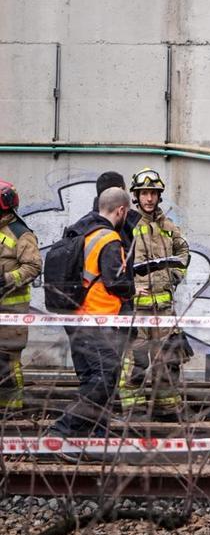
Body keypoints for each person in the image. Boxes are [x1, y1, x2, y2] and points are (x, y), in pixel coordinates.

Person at [49, 186, 135, 438]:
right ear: (121, 210)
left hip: (75, 316)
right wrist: (132, 288)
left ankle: (92, 437)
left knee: (92, 378)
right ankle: (62, 431)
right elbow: (115, 281)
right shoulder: (109, 239)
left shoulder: (83, 230)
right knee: (106, 376)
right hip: (95, 319)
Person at [116, 168, 191, 421]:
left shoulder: (167, 226)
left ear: (159, 196)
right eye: (144, 193)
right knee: (135, 363)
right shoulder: (126, 225)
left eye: (153, 193)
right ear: (136, 196)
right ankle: (133, 412)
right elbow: (113, 260)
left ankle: (166, 409)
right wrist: (129, 286)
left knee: (168, 361)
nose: (149, 198)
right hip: (136, 310)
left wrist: (175, 276)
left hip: (165, 310)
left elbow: (184, 253)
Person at [0, 181, 41, 412]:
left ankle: (13, 411)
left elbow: (33, 267)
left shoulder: (21, 233)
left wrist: (6, 279)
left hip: (11, 311)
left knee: (7, 360)